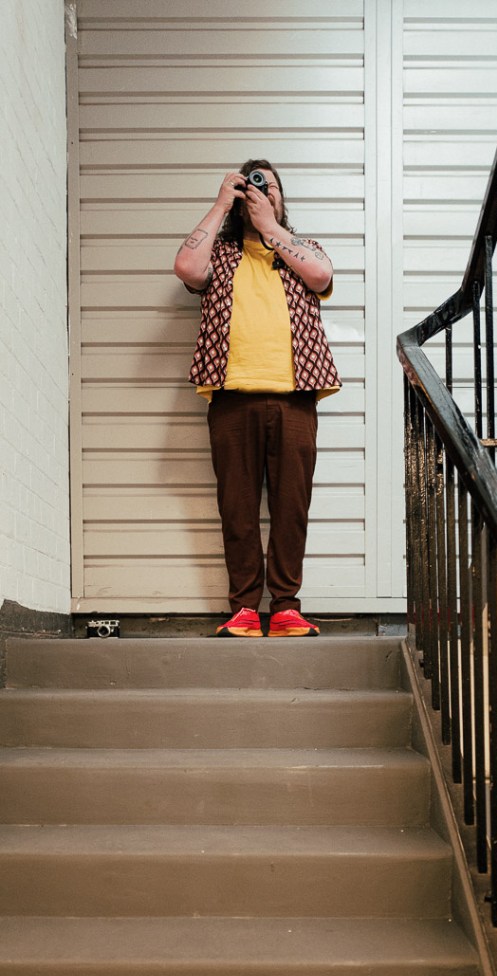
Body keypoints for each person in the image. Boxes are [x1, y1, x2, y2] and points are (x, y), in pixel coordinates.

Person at [174, 159, 341, 638]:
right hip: (230, 397)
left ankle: (286, 607)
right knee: (237, 509)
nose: (262, 192)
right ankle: (244, 609)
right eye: (253, 185)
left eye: (271, 187)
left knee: (292, 509)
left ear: (282, 198)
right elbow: (186, 267)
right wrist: (221, 203)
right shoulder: (220, 253)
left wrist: (270, 227)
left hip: (296, 396)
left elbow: (320, 276)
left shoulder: (303, 249)